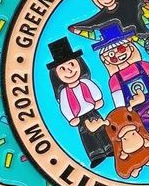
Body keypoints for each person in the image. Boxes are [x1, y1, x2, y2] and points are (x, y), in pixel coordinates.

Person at [46, 37, 112, 168]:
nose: (69, 71)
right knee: (88, 137)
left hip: (93, 112)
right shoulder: (64, 93)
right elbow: (65, 107)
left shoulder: (86, 82)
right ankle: (96, 155)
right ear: (56, 75)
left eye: (72, 65)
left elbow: (95, 92)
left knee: (102, 130)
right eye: (62, 69)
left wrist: (98, 100)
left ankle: (109, 148)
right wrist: (71, 118)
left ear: (80, 64)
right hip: (80, 119)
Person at [94, 21, 149, 109]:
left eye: (121, 48)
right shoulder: (114, 80)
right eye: (111, 54)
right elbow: (120, 108)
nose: (118, 54)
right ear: (105, 60)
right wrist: (132, 104)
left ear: (131, 47)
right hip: (137, 115)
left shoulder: (144, 66)